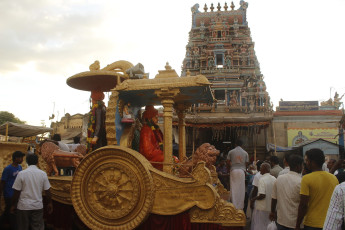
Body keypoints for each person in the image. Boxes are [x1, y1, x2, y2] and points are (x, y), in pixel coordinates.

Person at [295, 148, 339, 230]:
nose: (306, 163)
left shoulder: (306, 179)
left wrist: (297, 225)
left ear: (311, 162)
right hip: (330, 222)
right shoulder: (333, 178)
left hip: (312, 223)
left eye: (307, 160)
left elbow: (303, 205)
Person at [11, 153, 53, 230]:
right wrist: (49, 203)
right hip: (37, 205)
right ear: (37, 162)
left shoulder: (21, 174)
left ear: (27, 161)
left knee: (22, 227)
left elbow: (17, 191)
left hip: (23, 206)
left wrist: (13, 204)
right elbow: (47, 190)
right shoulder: (43, 174)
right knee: (37, 227)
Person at [270, 154, 303, 230]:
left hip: (281, 220)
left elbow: (274, 198)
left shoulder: (279, 178)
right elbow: (303, 205)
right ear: (298, 166)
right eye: (302, 165)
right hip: (295, 222)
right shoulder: (301, 181)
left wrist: (272, 212)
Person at [0, 151, 25, 230]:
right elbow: (3, 182)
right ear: (15, 158)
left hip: (16, 193)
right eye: (20, 157)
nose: (22, 159)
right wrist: (1, 193)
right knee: (11, 211)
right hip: (9, 193)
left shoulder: (20, 167)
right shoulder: (8, 169)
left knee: (8, 210)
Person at [250, 163, 276, 230]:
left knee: (260, 226)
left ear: (264, 169)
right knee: (269, 225)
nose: (260, 170)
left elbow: (262, 195)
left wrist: (253, 199)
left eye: (261, 168)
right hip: (271, 207)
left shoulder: (262, 179)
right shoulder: (274, 178)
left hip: (262, 208)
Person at [139, 105, 164, 170]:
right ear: (150, 119)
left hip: (156, 155)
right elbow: (148, 153)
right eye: (155, 118)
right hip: (149, 159)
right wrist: (161, 153)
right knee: (170, 159)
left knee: (173, 158)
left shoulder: (155, 129)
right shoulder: (146, 130)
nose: (157, 120)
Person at [226, 139, 249, 210]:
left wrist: (229, 168)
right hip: (242, 171)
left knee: (233, 187)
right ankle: (240, 207)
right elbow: (247, 163)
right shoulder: (245, 153)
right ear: (242, 145)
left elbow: (227, 161)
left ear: (235, 144)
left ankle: (234, 205)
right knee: (241, 188)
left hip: (233, 170)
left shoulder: (231, 151)